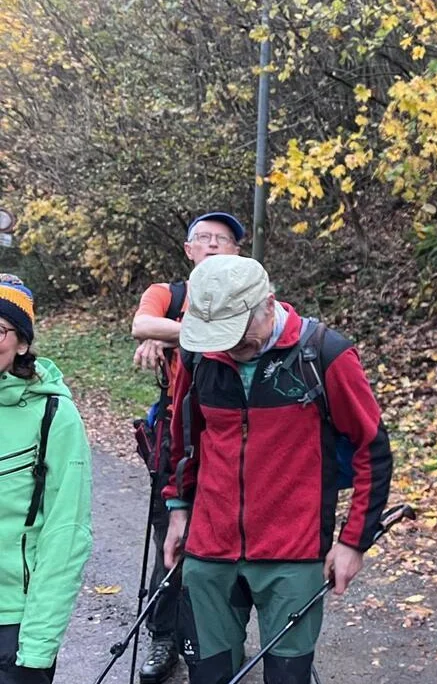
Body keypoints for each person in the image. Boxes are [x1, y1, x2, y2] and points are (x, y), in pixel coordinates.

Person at [160, 255, 394, 683]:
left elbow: (371, 448)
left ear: (268, 305)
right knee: (208, 675)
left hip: (294, 554)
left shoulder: (324, 354)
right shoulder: (200, 356)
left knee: (288, 677)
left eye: (238, 333)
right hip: (209, 550)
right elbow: (183, 440)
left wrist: (353, 542)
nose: (229, 346)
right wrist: (178, 509)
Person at [128, 211, 243, 683]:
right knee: (171, 542)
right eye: (204, 238)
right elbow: (141, 324)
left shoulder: (248, 294)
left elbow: (257, 336)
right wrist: (183, 335)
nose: (213, 245)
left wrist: (170, 337)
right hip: (177, 443)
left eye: (224, 240)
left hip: (236, 441)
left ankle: (224, 636)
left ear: (238, 252)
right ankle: (164, 635)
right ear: (188, 249)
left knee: (235, 544)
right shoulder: (169, 293)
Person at [0, 274, 92, 683]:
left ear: (22, 342)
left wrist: (37, 644)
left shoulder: (53, 415)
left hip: (12, 623)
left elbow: (65, 533)